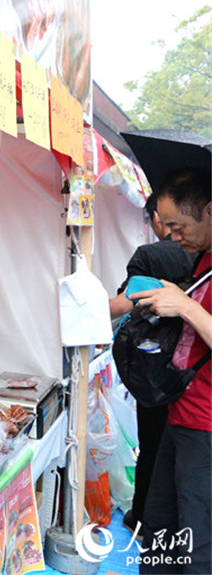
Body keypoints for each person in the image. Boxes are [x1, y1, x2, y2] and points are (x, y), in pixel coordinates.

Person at [131, 169, 211, 574]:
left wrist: (187, 307)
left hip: (207, 430)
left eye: (178, 226)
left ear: (210, 211)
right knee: (160, 530)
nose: (172, 237)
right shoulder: (202, 260)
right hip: (180, 414)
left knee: (198, 545)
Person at [109, 193, 194, 534]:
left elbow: (126, 303)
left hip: (156, 370)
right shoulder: (200, 261)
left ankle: (143, 519)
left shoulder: (150, 255)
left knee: (153, 449)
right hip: (193, 373)